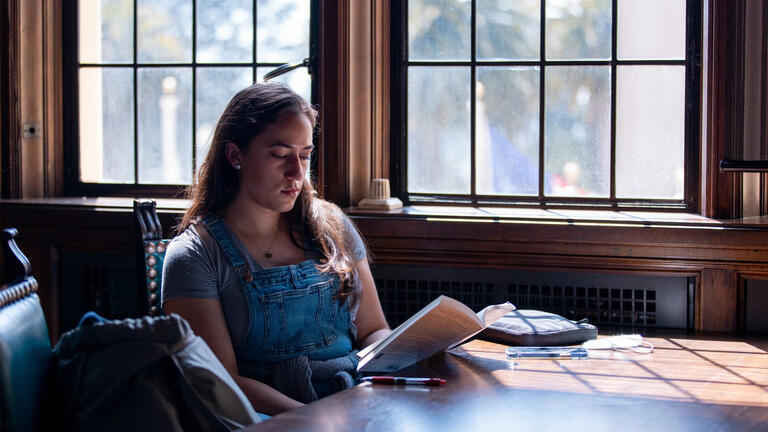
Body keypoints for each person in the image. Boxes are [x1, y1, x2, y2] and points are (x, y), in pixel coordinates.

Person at [161, 82, 391, 417]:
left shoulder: (333, 228)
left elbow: (374, 330)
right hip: (265, 420)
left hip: (354, 405)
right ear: (234, 155)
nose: (297, 173)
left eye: (305, 156)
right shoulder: (194, 256)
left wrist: (391, 376)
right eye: (281, 155)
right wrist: (312, 419)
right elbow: (221, 382)